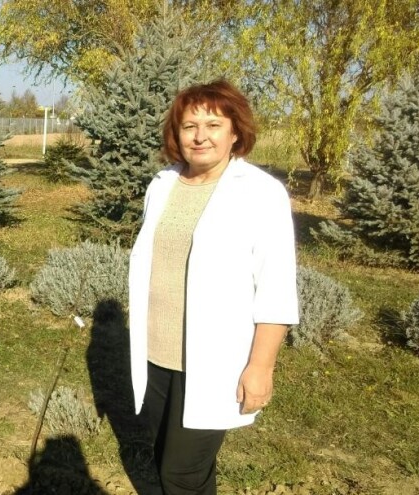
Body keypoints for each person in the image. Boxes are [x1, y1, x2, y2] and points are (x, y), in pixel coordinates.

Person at [127, 80, 299, 495]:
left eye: (213, 124)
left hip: (215, 361)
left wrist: (261, 367)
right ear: (177, 134)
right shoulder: (163, 184)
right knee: (163, 458)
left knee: (181, 474)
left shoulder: (260, 193)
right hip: (156, 355)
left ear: (235, 131)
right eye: (189, 126)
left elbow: (275, 288)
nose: (200, 135)